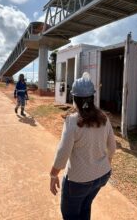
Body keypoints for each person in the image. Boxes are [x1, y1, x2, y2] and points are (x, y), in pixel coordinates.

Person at [49, 72, 116, 220]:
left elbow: (63, 152)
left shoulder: (72, 121)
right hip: (102, 175)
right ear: (92, 98)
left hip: (78, 181)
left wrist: (53, 174)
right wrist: (106, 163)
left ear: (75, 98)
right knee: (85, 207)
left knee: (70, 215)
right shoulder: (104, 118)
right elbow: (112, 147)